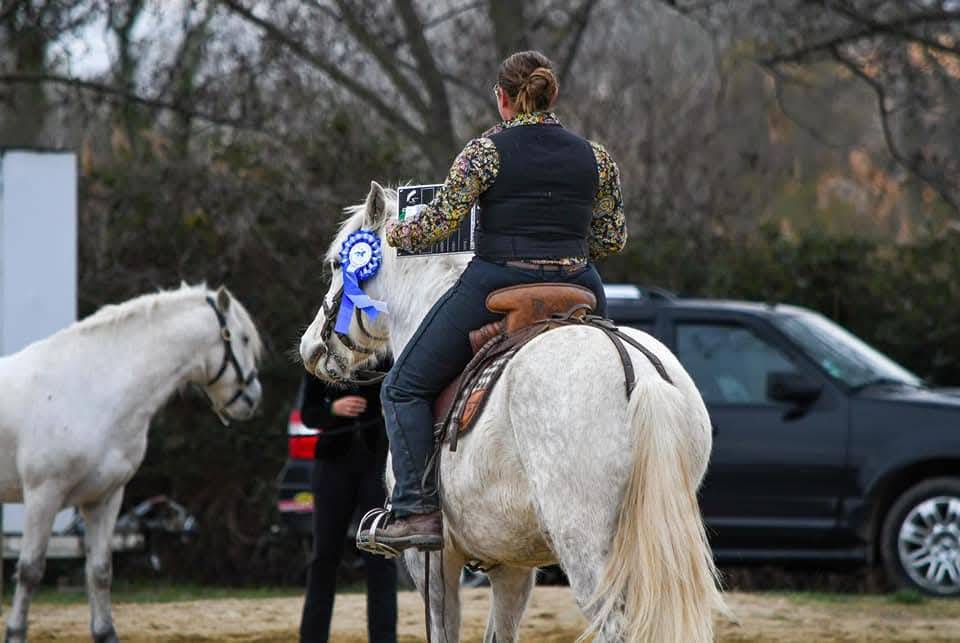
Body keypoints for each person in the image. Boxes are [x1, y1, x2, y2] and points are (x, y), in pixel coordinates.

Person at [359, 50, 627, 553]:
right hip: (580, 286)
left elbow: (438, 225)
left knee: (402, 387)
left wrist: (394, 231)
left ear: (502, 99)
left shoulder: (484, 152)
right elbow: (611, 240)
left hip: (498, 284)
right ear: (553, 95)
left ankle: (414, 510)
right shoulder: (598, 158)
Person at [298, 359, 397, 643]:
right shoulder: (323, 359)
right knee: (324, 557)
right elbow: (308, 413)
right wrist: (333, 409)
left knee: (380, 556)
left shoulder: (386, 356)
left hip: (375, 464)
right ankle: (312, 637)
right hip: (332, 465)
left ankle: (384, 638)